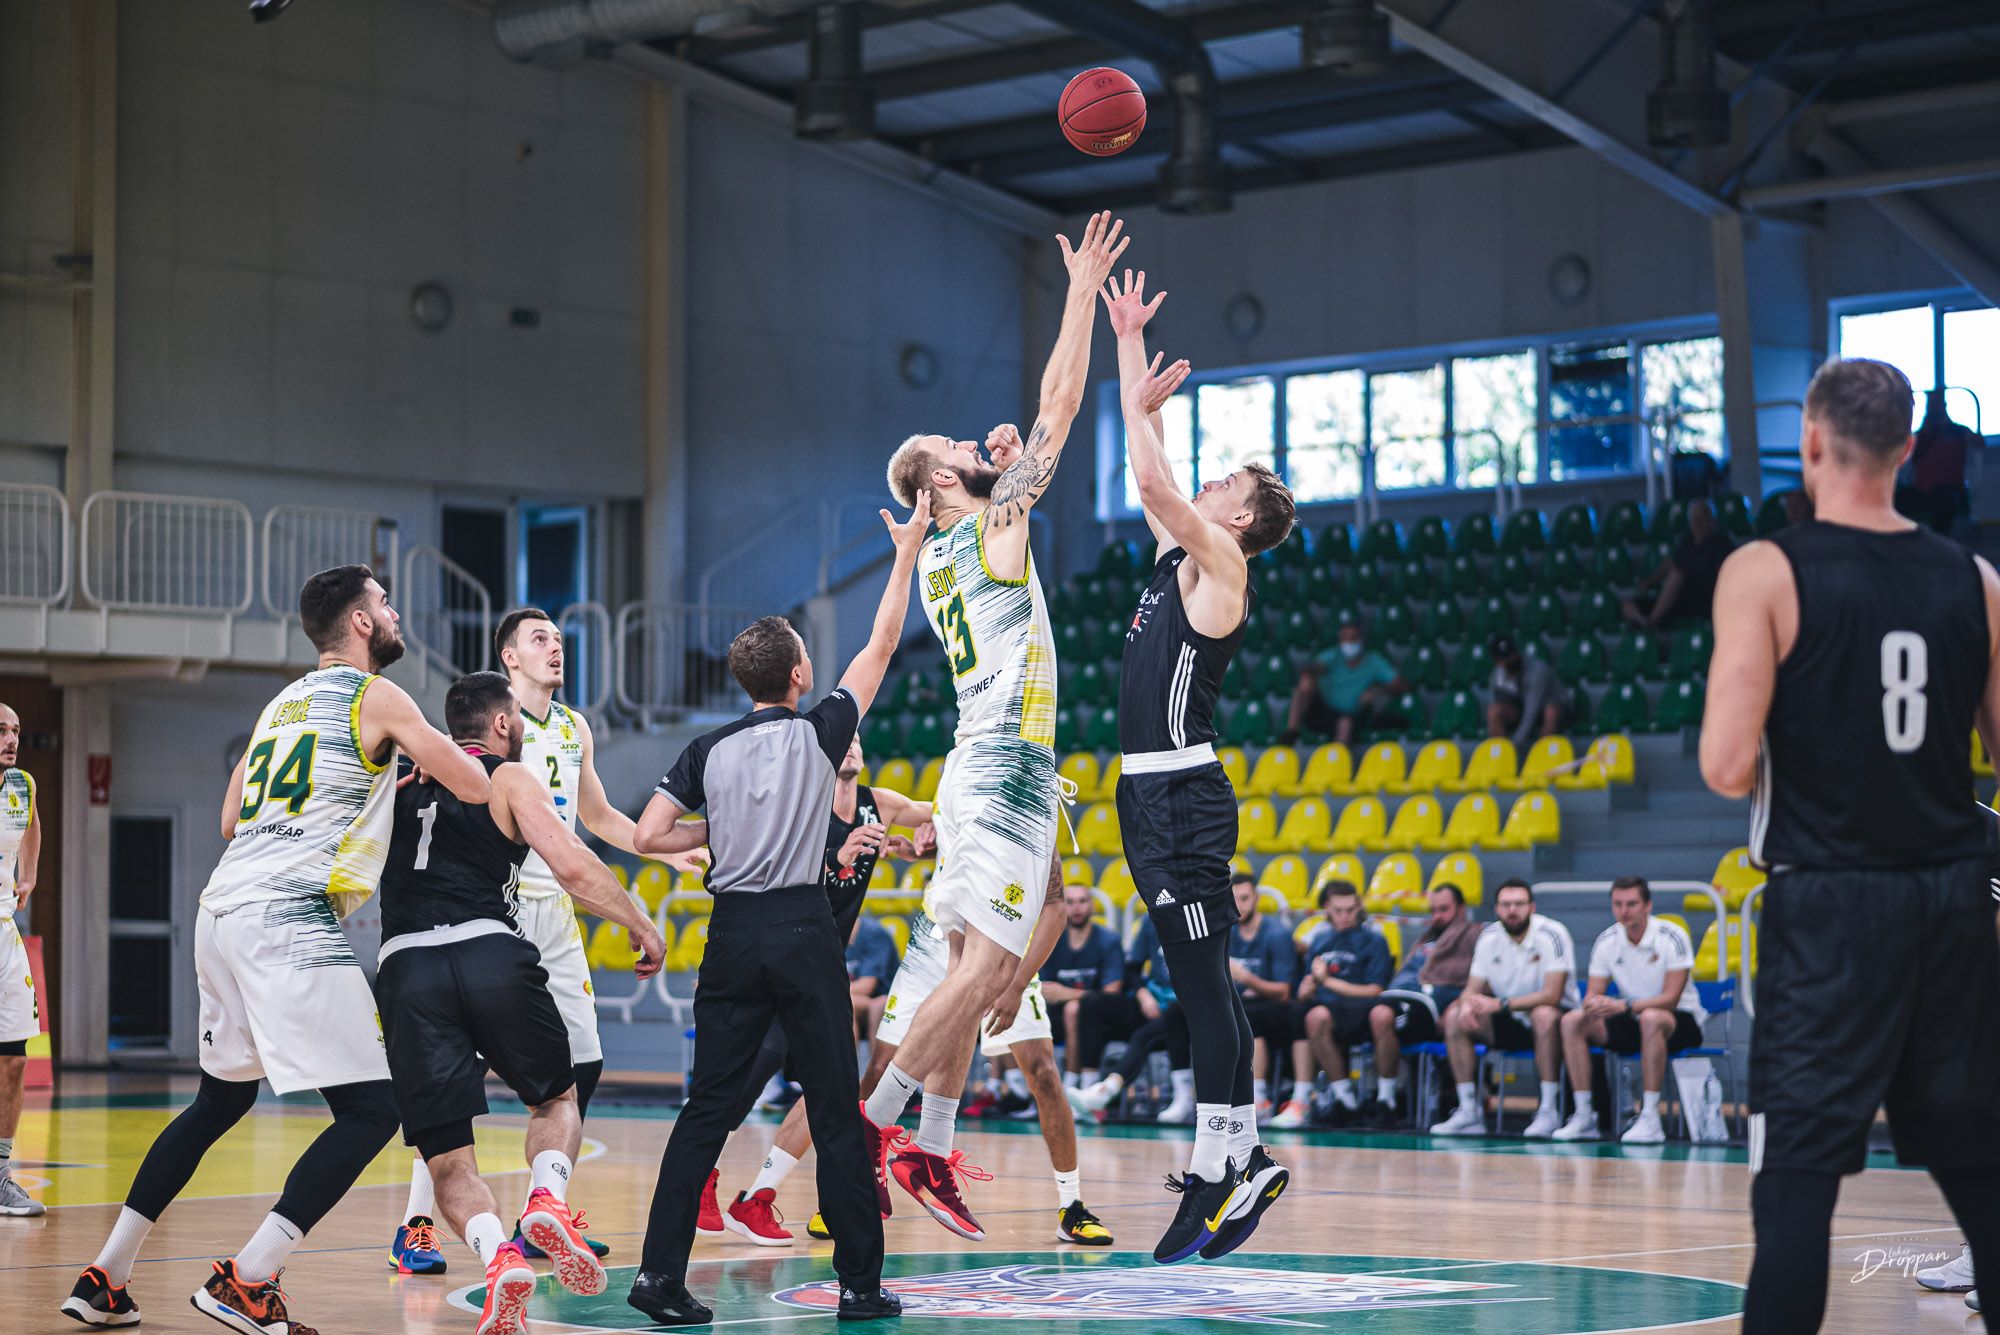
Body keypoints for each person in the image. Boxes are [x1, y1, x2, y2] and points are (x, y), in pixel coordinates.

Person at [62, 565, 490, 1332]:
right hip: (286, 914)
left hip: (221, 907)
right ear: (361, 621)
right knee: (374, 1108)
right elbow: (475, 783)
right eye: (385, 602)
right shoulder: (378, 696)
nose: (395, 613)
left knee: (219, 1100)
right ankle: (249, 1277)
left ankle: (106, 1275)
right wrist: (426, 754)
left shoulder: (279, 705)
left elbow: (230, 817)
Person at [1700, 356, 2000, 1333]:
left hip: (1830, 901)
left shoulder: (1764, 569)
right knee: (1981, 1175)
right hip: (1952, 897)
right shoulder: (1977, 580)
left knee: (1796, 1184)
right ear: (1908, 450)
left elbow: (1724, 765)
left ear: (1811, 441)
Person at [866, 211, 1127, 1241]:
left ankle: (927, 1144)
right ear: (941, 482)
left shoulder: (946, 552)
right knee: (984, 973)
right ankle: (875, 1130)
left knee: (980, 969)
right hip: (1006, 767)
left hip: (978, 766)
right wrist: (1079, 291)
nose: (977, 445)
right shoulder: (987, 531)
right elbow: (1058, 409)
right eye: (959, 449)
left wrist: (1001, 469)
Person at [621, 498, 927, 1327]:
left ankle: (657, 1274)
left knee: (705, 1110)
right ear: (798, 675)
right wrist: (905, 553)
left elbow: (648, 834)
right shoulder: (822, 730)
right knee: (833, 1109)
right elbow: (882, 644)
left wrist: (716, 829)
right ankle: (859, 1286)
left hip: (729, 933)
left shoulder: (706, 748)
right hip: (799, 926)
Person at [382, 608, 707, 1273]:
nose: (556, 648)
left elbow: (598, 817)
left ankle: (543, 1208)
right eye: (540, 639)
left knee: (583, 1061)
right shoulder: (475, 733)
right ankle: (417, 1223)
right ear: (509, 657)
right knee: (454, 1076)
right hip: (495, 906)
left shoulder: (572, 727)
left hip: (555, 906)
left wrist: (662, 849)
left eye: (559, 639)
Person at [1101, 267, 1299, 1263]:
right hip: (1148, 795)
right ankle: (1241, 1157)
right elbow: (1156, 480)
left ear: (1242, 521)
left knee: (1199, 984)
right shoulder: (1176, 560)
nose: (1208, 484)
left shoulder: (1224, 566)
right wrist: (1128, 342)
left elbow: (1152, 483)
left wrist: (1139, 404)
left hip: (1179, 793)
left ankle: (1220, 1167)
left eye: (1226, 485)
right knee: (1200, 981)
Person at [700, 734, 932, 1247]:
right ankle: (702, 1176)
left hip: (820, 967)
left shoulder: (881, 804)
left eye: (857, 740)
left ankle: (757, 1197)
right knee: (748, 1076)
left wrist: (928, 839)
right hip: (778, 955)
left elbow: (938, 814)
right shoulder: (799, 804)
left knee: (833, 1090)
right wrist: (836, 856)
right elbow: (767, 868)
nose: (851, 746)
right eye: (842, 739)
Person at [861, 880, 1114, 1246]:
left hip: (1005, 945)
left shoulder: (1037, 844)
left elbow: (1055, 908)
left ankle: (1071, 1206)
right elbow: (915, 840)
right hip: (938, 941)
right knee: (880, 1065)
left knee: (1043, 1071)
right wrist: (912, 846)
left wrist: (1017, 984)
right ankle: (855, 1182)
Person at [1551, 876, 1703, 1144]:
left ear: (1647, 906)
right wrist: (1595, 1004)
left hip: (1679, 1019)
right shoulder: (1606, 940)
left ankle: (1650, 1117)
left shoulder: (1672, 936)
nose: (1624, 910)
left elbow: (1670, 999)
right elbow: (1592, 996)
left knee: (1651, 1018)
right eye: (1618, 904)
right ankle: (1585, 1115)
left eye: (1631, 904)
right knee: (1572, 1020)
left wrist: (1623, 1005)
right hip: (1632, 1017)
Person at [1428, 879, 1576, 1139]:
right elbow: (1472, 988)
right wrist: (1465, 1004)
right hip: (1508, 1017)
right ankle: (1469, 1111)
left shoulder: (1552, 933)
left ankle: (1548, 1110)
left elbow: (1552, 995)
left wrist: (1501, 1003)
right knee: (1454, 1017)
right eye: (1506, 905)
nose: (1512, 910)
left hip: (1555, 1020)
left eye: (1519, 904)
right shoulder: (1488, 937)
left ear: (1532, 907)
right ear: (1496, 909)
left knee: (1543, 1015)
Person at [1364, 882, 1478, 1130]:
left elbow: (1481, 979)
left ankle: (1391, 1097)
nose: (1437, 916)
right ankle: (1385, 1100)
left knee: (1381, 1015)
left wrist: (1459, 1003)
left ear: (1461, 909)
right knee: (1371, 1014)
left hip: (1436, 1006)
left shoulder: (1474, 935)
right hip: (1402, 997)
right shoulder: (1425, 939)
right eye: (1433, 910)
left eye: (1444, 909)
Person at [1067, 913, 1194, 1123]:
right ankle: (1089, 1089)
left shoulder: (1199, 918)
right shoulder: (1152, 919)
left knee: (1145, 1034)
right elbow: (1132, 968)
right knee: (1091, 1003)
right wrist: (1143, 995)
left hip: (1186, 1013)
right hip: (1151, 1004)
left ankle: (1108, 1091)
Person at [1289, 881, 1393, 1128]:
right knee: (1313, 1017)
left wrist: (1328, 981)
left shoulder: (1375, 940)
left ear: (1359, 907)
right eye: (1338, 910)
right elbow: (1309, 985)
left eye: (1350, 910)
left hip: (1364, 1007)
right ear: (1327, 908)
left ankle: (1386, 1099)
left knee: (1383, 1014)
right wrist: (1307, 990)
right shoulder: (1320, 940)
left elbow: (1375, 990)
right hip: (1330, 1008)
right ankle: (1345, 1098)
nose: (1345, 916)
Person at [0, 703, 44, 1218]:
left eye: (15, 731)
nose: (11, 740)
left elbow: (30, 825)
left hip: (4, 932)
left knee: (13, 1058)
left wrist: (28, 875)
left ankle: (0, 1176)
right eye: (1, 731)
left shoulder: (22, 785)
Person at [1040, 883, 1127, 1085]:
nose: (1077, 908)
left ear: (1092, 906)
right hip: (1055, 1014)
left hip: (1099, 1017)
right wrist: (1059, 994)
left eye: (1082, 901)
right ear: (1062, 907)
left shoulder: (1108, 940)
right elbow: (1045, 989)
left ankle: (1071, 1083)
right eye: (1070, 902)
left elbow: (1111, 993)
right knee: (1011, 1004)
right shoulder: (1052, 941)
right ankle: (1014, 1088)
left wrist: (1066, 993)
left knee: (1074, 1009)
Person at [1226, 874, 1297, 1120]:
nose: (1239, 905)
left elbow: (1283, 991)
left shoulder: (1276, 934)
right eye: (1234, 899)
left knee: (1249, 1017)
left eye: (1245, 898)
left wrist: (1246, 978)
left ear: (1256, 898)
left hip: (1275, 1010)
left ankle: (1258, 1098)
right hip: (1240, 1004)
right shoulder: (1226, 932)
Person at [1285, 620, 1407, 746]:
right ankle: (1291, 731)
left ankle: (1338, 755)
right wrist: (1311, 672)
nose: (1348, 642)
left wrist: (1378, 689)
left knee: (1345, 723)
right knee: (1305, 684)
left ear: (1361, 639)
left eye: (1353, 637)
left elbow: (1400, 684)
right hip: (1324, 711)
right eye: (1344, 638)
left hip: (1353, 714)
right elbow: (1317, 667)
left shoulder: (1374, 661)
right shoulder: (1332, 656)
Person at [1623, 498, 1733, 630]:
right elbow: (1671, 563)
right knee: (1628, 603)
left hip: (1703, 598)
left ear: (1712, 520)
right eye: (1694, 518)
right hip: (1679, 598)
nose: (1697, 523)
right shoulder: (1686, 542)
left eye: (1702, 518)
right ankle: (1641, 621)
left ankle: (1652, 622)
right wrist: (1648, 582)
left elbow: (1724, 575)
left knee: (1676, 575)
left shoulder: (1721, 543)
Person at [1905, 388, 1977, 534]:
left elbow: (1979, 443)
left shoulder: (1958, 432)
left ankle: (1938, 541)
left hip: (1948, 489)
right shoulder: (1921, 436)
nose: (1934, 411)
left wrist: (1949, 428)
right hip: (1922, 491)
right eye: (1931, 408)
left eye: (1937, 408)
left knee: (1947, 502)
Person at [1486, 635, 1568, 749]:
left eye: (1512, 653)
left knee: (1551, 712)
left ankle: (1541, 753)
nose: (1511, 658)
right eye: (1505, 656)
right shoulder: (1497, 676)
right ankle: (1500, 753)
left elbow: (1531, 711)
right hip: (1521, 707)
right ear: (1497, 661)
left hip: (1550, 706)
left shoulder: (1537, 670)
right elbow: (1495, 702)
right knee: (1494, 711)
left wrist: (1515, 744)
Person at [845, 914, 899, 1043]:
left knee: (844, 1004)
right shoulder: (828, 934)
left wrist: (828, 993)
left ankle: (850, 1055)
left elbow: (866, 986)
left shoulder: (873, 934)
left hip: (883, 998)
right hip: (855, 996)